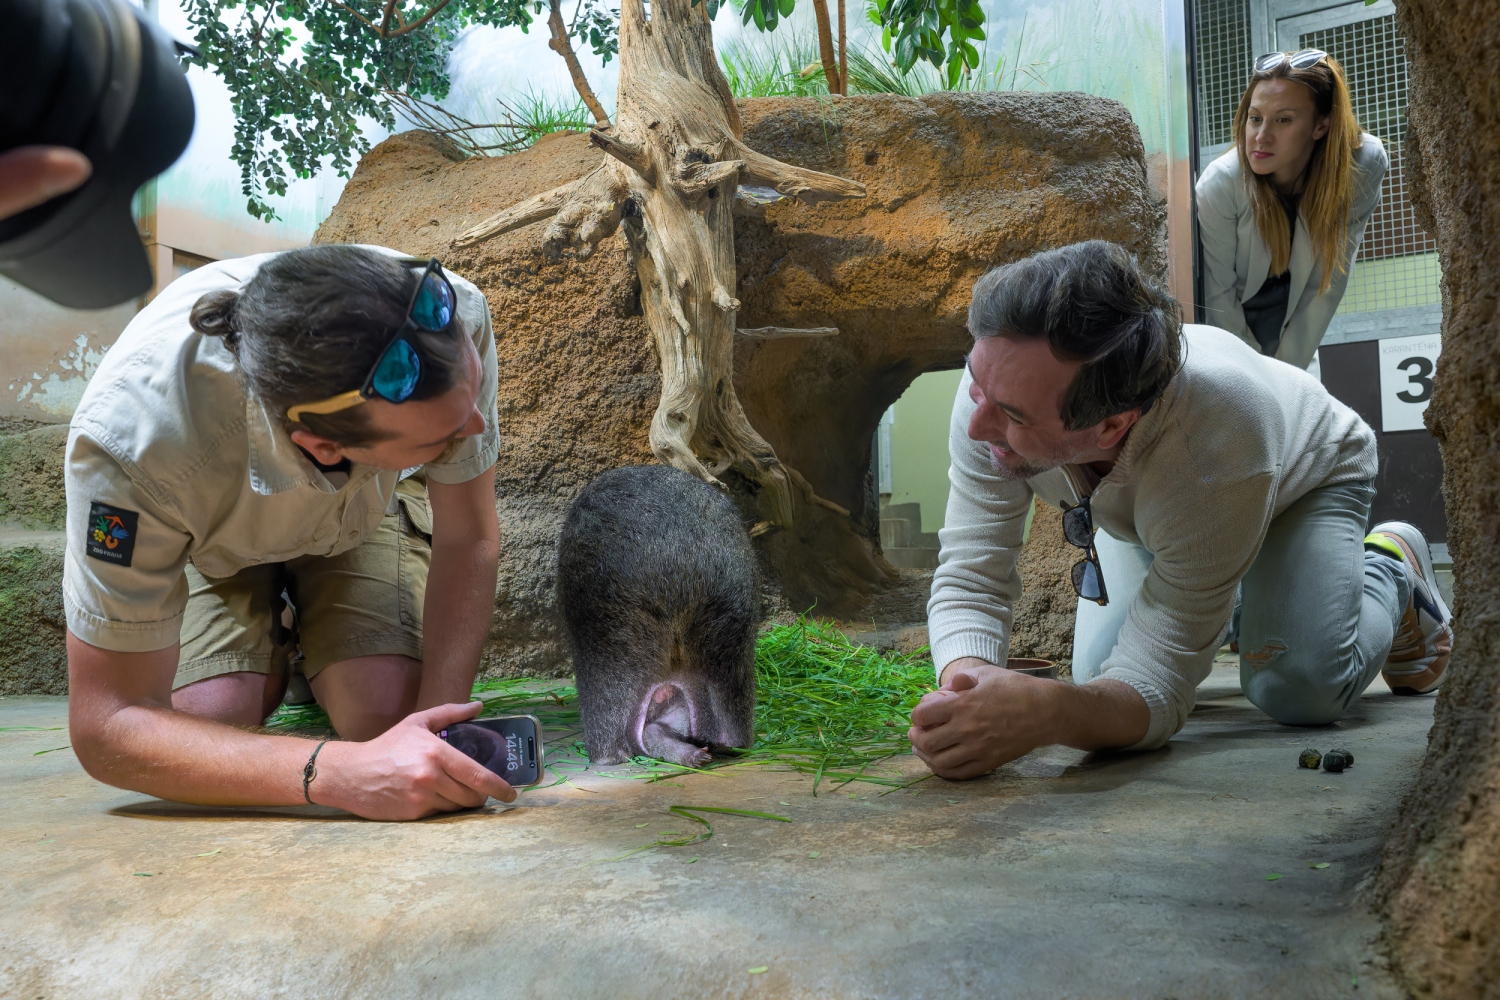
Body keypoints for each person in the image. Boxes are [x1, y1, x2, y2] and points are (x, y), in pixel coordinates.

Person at [908, 241, 1451, 780]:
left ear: (1111, 425)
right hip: (1171, 514)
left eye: (1010, 415)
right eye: (977, 385)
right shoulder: (996, 383)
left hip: (1303, 478)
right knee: (1097, 678)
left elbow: (1155, 689)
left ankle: (1390, 566)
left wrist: (1047, 711)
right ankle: (1227, 588)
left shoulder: (1215, 451)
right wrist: (967, 692)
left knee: (1297, 689)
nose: (978, 428)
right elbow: (971, 575)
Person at [64, 244, 516, 819]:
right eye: (442, 442)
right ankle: (278, 633)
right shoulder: (128, 449)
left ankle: (317, 643)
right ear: (323, 446)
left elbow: (468, 536)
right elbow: (109, 727)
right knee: (205, 720)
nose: (474, 428)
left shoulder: (456, 318)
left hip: (361, 515)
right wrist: (336, 774)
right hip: (212, 549)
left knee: (384, 716)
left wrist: (433, 735)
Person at [1196, 49, 1388, 370]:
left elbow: (1326, 284)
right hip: (1227, 345)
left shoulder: (1362, 163)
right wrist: (1259, 377)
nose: (1261, 136)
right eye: (1255, 118)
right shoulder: (1220, 182)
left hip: (1294, 345)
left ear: (1321, 126)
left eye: (1283, 120)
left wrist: (1287, 376)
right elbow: (1218, 299)